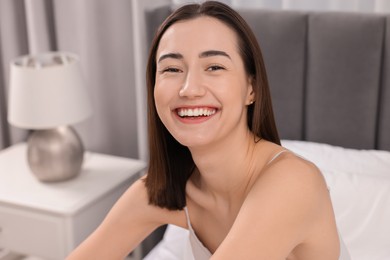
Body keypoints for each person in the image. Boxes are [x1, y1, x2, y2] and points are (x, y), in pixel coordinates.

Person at [67, 1, 350, 259]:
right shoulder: (165, 190)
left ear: (251, 88)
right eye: (171, 69)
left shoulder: (293, 182)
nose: (189, 89)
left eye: (214, 66)